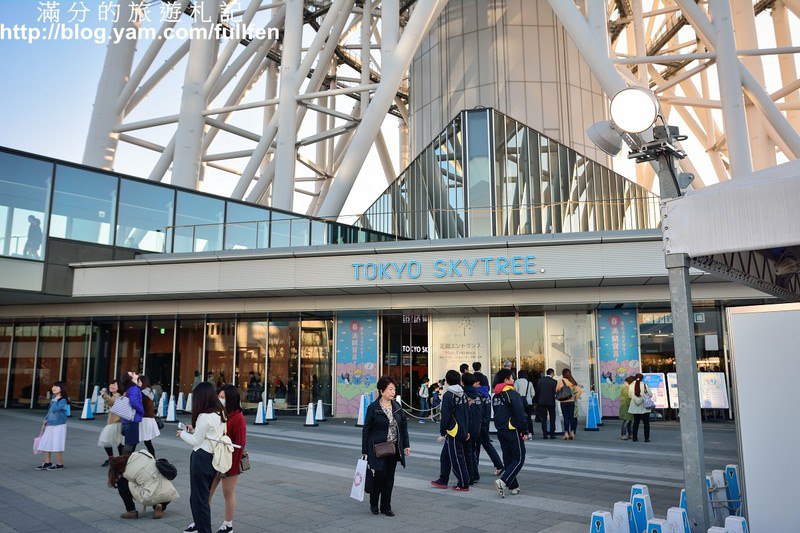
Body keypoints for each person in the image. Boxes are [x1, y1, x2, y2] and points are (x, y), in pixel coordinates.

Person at [179, 381, 226, 533]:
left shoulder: (204, 416)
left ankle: (204, 530)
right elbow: (210, 435)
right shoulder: (221, 412)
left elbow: (196, 441)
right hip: (213, 458)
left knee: (198, 500)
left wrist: (182, 434)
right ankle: (201, 528)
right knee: (202, 498)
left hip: (200, 458)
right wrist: (194, 430)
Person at [361, 376, 411, 517]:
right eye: (390, 389)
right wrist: (365, 451)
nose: (392, 392)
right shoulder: (373, 408)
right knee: (380, 476)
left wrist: (406, 445)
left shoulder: (397, 407)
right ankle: (373, 502)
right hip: (378, 448)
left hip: (393, 448)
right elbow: (366, 430)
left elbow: (403, 428)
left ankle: (386, 506)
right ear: (381, 391)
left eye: (394, 389)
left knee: (389, 478)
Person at [209, 385, 247, 533]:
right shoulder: (219, 413)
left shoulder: (238, 417)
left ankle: (228, 524)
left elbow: (241, 443)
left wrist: (232, 466)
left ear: (231, 399)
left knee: (227, 492)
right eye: (219, 396)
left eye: (223, 397)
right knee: (208, 492)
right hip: (216, 458)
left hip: (230, 460)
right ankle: (201, 520)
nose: (220, 399)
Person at [430, 370, 470, 492]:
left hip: (453, 431)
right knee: (445, 456)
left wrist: (442, 432)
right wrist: (466, 430)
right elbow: (466, 413)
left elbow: (445, 415)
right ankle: (443, 479)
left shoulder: (448, 395)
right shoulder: (463, 394)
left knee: (457, 458)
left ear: (447, 381)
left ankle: (463, 483)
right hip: (462, 428)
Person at [108, 451, 178, 519]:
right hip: (169, 492)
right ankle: (160, 505)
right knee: (154, 478)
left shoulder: (127, 473)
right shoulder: (143, 453)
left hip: (150, 497)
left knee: (122, 482)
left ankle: (131, 511)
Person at [492, 369, 527, 497]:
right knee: (519, 458)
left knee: (508, 459)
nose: (513, 381)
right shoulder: (512, 393)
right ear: (506, 380)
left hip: (500, 430)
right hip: (512, 430)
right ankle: (503, 481)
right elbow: (519, 413)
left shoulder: (495, 395)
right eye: (512, 378)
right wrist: (524, 430)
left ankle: (514, 486)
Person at [472, 371, 504, 477]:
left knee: (475, 447)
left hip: (477, 424)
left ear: (477, 382)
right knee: (487, 444)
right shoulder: (486, 393)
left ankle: (474, 471)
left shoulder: (476, 394)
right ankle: (499, 465)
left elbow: (476, 411)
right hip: (485, 423)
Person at [35, 381, 69, 470]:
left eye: (57, 387)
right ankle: (47, 463)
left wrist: (54, 400)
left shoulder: (63, 399)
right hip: (50, 423)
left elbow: (54, 409)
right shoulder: (54, 397)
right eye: (53, 386)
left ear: (61, 388)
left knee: (57, 443)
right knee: (46, 441)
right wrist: (46, 419)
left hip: (59, 424)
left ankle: (59, 464)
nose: (54, 388)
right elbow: (50, 411)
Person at [461, 373, 483, 485]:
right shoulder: (479, 394)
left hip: (467, 428)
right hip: (477, 427)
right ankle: (475, 474)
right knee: (473, 452)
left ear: (463, 382)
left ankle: (471, 476)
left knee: (468, 453)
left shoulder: (463, 395)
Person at [98, 380, 124, 466]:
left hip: (116, 422)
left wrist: (104, 395)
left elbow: (112, 402)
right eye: (111, 384)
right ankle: (119, 460)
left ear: (119, 387)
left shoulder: (118, 395)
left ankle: (116, 459)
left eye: (114, 385)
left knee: (106, 440)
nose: (111, 386)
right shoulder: (114, 395)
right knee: (119, 443)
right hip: (115, 422)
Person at [120, 372, 144, 453]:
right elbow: (134, 402)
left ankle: (124, 462)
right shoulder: (134, 388)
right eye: (132, 374)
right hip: (132, 420)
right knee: (129, 447)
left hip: (126, 420)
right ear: (131, 379)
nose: (135, 373)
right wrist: (142, 411)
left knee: (130, 445)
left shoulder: (130, 389)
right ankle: (123, 463)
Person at [556, 368, 582, 440]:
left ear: (563, 374)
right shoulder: (572, 381)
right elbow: (580, 391)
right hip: (571, 402)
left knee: (566, 418)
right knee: (572, 418)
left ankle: (566, 434)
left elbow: (557, 390)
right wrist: (575, 398)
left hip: (563, 402)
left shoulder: (560, 381)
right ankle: (572, 432)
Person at [138, 375, 160, 456]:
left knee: (135, 441)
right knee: (147, 442)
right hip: (150, 419)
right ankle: (153, 459)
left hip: (144, 419)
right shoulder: (150, 392)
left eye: (139, 381)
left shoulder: (142, 393)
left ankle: (125, 460)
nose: (138, 383)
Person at [628, 374, 652, 443]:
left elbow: (629, 396)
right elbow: (650, 395)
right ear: (642, 378)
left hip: (635, 407)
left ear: (635, 378)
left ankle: (635, 438)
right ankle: (646, 438)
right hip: (645, 407)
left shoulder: (631, 385)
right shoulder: (645, 385)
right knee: (646, 424)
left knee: (636, 423)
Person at [537, 369, 558, 439]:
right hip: (551, 402)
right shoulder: (554, 382)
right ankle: (552, 434)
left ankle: (545, 434)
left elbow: (538, 391)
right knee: (552, 418)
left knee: (544, 418)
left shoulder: (540, 381)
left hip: (542, 401)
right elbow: (555, 393)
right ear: (552, 373)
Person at [514, 370, 535, 439]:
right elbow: (533, 393)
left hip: (519, 402)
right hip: (528, 402)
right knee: (528, 418)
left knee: (520, 417)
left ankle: (522, 432)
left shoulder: (517, 382)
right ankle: (530, 432)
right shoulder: (529, 383)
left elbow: (515, 391)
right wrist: (529, 398)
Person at [619, 376, 636, 440]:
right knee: (626, 421)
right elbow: (629, 396)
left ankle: (630, 434)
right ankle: (623, 434)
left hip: (628, 406)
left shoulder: (627, 387)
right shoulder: (625, 387)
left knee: (630, 421)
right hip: (626, 406)